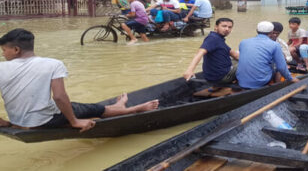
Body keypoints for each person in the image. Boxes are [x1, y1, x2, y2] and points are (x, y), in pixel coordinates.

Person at [0, 29, 159, 131]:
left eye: (3, 50)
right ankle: (134, 108)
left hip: (19, 121)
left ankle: (117, 106)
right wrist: (74, 121)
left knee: (78, 107)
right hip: (45, 120)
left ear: (15, 50)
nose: (3, 54)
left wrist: (5, 122)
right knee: (94, 109)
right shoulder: (53, 64)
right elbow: (60, 96)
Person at [236, 22, 300, 89]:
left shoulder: (243, 42)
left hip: (241, 80)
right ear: (271, 32)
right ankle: (277, 87)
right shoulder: (275, 45)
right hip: (260, 81)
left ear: (257, 30)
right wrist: (291, 79)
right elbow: (281, 67)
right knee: (280, 64)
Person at [183, 18, 239, 87]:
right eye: (224, 26)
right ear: (216, 27)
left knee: (237, 60)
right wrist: (190, 70)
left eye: (229, 27)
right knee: (247, 64)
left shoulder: (218, 39)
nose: (227, 29)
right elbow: (200, 53)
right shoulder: (212, 38)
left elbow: (234, 54)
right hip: (221, 77)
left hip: (213, 75)